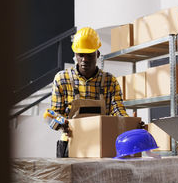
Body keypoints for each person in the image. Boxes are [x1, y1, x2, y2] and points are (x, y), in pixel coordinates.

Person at [50, 27, 128, 158]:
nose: (85, 60)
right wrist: (61, 124)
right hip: (70, 144)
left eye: (90, 55)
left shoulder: (110, 81)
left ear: (97, 54)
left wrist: (129, 124)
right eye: (81, 55)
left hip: (101, 143)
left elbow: (118, 111)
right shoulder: (62, 79)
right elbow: (54, 114)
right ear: (75, 55)